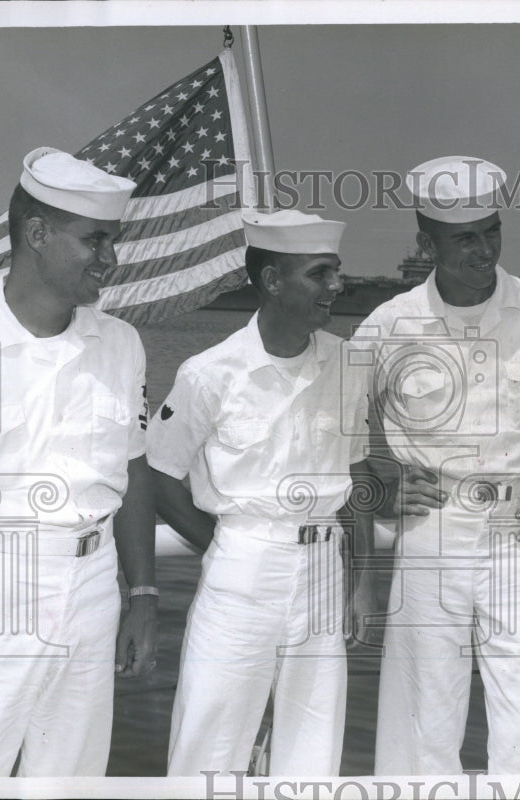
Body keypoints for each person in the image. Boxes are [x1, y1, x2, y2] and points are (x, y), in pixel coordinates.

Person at [350, 156, 520, 775]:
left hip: (518, 529)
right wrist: (376, 495)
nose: (484, 249)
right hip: (429, 527)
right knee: (423, 719)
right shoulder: (390, 325)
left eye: (492, 231)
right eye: (464, 237)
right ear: (426, 241)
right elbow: (335, 428)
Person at [0, 147, 158, 777]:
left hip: (93, 592)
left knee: (71, 780)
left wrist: (142, 593)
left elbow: (134, 467)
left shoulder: (120, 344)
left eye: (112, 241)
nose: (111, 259)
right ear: (37, 234)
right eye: (95, 240)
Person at [148, 209, 371, 777]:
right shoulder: (210, 373)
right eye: (320, 273)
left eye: (336, 272)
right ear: (273, 282)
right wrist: (223, 544)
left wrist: (362, 582)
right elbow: (157, 474)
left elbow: (357, 477)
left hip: (326, 574)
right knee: (210, 743)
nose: (336, 286)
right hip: (243, 571)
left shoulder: (348, 365)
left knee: (314, 747)